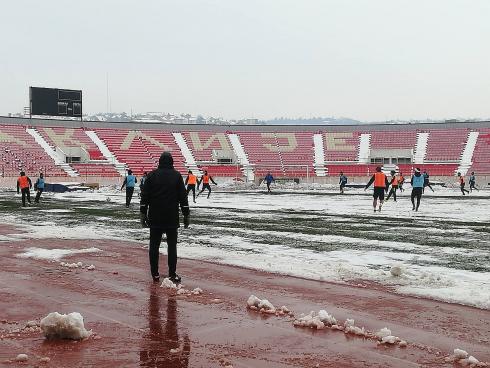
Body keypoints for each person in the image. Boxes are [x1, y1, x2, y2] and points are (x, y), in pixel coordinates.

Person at [140, 152, 190, 283]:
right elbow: (183, 197)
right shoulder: (177, 176)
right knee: (172, 246)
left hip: (155, 216)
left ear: (159, 161)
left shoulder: (152, 175)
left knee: (154, 246)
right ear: (171, 162)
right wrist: (186, 214)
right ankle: (172, 274)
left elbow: (144, 196)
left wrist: (142, 213)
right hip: (171, 217)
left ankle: (155, 274)